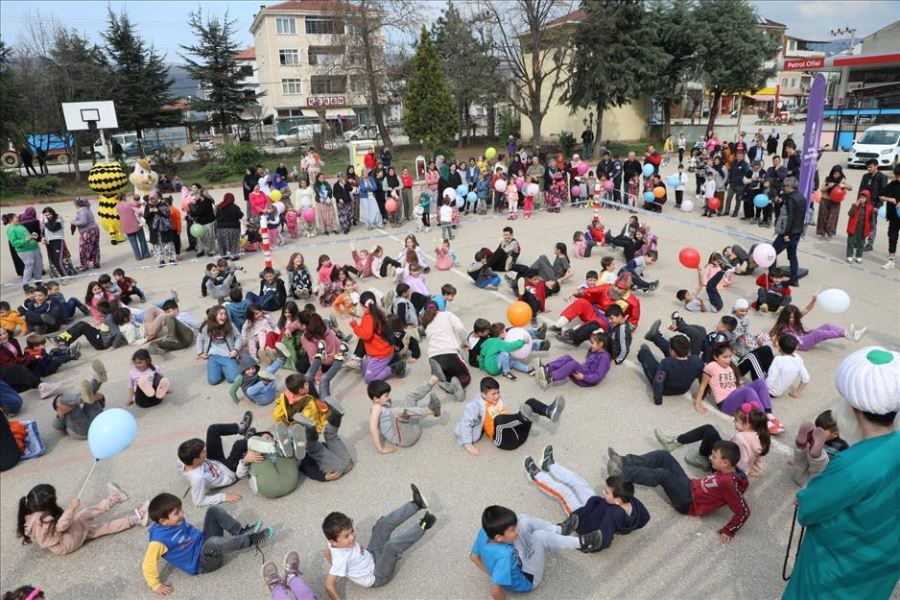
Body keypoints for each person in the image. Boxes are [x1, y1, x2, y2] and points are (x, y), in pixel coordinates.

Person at [783, 346, 899, 599]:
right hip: (884, 563)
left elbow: (809, 510)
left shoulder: (851, 465)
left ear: (854, 408)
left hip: (834, 572)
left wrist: (805, 497)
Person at [608, 440, 750, 541]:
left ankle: (621, 473)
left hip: (687, 502)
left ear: (725, 463)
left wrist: (729, 530)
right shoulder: (728, 471)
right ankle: (624, 461)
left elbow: (744, 511)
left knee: (663, 474)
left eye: (714, 456)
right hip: (688, 485)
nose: (710, 458)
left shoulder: (729, 483)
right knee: (663, 456)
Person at [142, 492, 275, 595]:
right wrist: (155, 585)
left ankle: (240, 532)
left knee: (213, 510)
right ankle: (252, 539)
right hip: (203, 563)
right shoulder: (158, 542)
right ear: (163, 521)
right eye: (177, 513)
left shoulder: (172, 520)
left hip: (204, 542)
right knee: (212, 543)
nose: (182, 514)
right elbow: (148, 563)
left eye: (180, 509)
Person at [323, 484, 435, 597]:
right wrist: (337, 567)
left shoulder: (333, 543)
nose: (352, 537)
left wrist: (336, 565)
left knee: (381, 525)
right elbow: (329, 586)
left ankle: (416, 504)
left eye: (352, 531)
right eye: (346, 536)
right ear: (334, 541)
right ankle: (423, 525)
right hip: (378, 576)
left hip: (371, 553)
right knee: (391, 547)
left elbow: (326, 551)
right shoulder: (341, 559)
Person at [469, 505, 603, 598]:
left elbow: (473, 557)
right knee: (540, 537)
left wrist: (491, 573)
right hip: (527, 578)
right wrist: (495, 576)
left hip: (516, 557)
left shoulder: (485, 533)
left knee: (523, 521)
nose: (517, 531)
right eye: (512, 530)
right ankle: (582, 543)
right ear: (498, 537)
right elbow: (495, 590)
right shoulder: (504, 556)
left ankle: (559, 530)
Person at [525, 447, 650, 546]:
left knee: (564, 492)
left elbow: (604, 538)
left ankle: (535, 476)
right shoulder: (632, 502)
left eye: (607, 492)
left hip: (583, 519)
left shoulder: (613, 514)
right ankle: (549, 465)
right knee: (580, 482)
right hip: (596, 506)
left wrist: (587, 541)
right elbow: (644, 518)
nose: (603, 493)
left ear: (617, 500)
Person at [17, 483, 147, 555]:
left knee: (99, 529)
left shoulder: (27, 514)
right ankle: (114, 500)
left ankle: (136, 519)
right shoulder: (43, 519)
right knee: (84, 514)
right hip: (67, 542)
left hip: (60, 546)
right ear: (47, 505)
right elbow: (61, 526)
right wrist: (71, 509)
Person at [455, 376, 565, 454]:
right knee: (499, 419)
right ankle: (523, 417)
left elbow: (506, 414)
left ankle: (549, 411)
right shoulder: (475, 406)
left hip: (520, 433)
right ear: (483, 395)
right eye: (493, 394)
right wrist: (468, 445)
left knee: (530, 402)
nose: (497, 396)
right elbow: (466, 422)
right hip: (505, 441)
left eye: (498, 392)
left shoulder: (495, 399)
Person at [655, 403, 771, 474]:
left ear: (747, 425)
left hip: (725, 470)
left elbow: (741, 464)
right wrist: (755, 470)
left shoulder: (740, 437)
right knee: (710, 431)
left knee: (709, 430)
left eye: (736, 420)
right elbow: (757, 458)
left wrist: (723, 474)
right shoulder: (761, 435)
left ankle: (679, 444)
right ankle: (675, 441)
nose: (733, 421)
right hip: (732, 467)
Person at [177, 412, 253, 507]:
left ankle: (242, 428)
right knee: (239, 445)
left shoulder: (182, 458)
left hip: (215, 462)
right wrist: (224, 497)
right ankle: (249, 442)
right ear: (195, 460)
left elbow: (186, 466)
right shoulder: (197, 478)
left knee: (213, 429)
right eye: (203, 452)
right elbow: (198, 502)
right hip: (228, 473)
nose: (205, 451)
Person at [367, 378, 442, 453]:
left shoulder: (384, 403)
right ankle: (430, 410)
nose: (389, 397)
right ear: (376, 399)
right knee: (395, 412)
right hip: (405, 439)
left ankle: (432, 381)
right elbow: (373, 429)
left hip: (412, 429)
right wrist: (381, 449)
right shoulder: (376, 407)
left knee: (409, 397)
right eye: (386, 396)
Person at [637, 330, 704, 405]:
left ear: (673, 352)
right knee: (672, 349)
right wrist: (702, 395)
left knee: (644, 353)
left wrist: (658, 399)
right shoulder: (697, 361)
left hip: (665, 390)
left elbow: (658, 382)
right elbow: (704, 380)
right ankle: (655, 336)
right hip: (683, 390)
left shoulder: (666, 363)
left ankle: (645, 350)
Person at [51, 359, 107, 439]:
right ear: (56, 407)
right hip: (82, 431)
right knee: (85, 397)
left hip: (97, 422)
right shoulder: (61, 414)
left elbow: (101, 401)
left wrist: (98, 397)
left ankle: (98, 378)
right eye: (59, 402)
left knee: (89, 396)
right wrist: (60, 415)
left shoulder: (84, 404)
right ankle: (96, 381)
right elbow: (56, 427)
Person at [536, 330, 611, 390]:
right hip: (584, 372)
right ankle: (546, 369)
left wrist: (583, 377)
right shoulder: (595, 351)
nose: (591, 345)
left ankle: (550, 377)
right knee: (567, 357)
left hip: (585, 380)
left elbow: (598, 376)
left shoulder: (605, 357)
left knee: (573, 364)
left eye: (593, 343)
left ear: (600, 344)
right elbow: (587, 365)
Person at [195, 306, 242, 385]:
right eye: (221, 314)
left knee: (233, 378)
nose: (224, 316)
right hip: (213, 355)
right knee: (213, 381)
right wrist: (200, 353)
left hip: (228, 354)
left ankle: (226, 367)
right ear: (214, 315)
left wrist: (235, 350)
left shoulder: (230, 325)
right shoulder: (206, 326)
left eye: (225, 314)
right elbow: (199, 339)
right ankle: (220, 367)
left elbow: (238, 337)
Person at [2, 213, 43, 284]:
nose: (18, 218)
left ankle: (38, 281)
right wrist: (25, 240)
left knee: (38, 265)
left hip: (34, 247)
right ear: (11, 220)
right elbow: (14, 242)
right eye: (16, 217)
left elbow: (27, 236)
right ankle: (26, 284)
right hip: (25, 250)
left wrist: (33, 236)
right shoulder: (11, 230)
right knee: (29, 265)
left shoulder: (20, 226)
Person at [40, 207, 76, 276]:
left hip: (58, 241)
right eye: (46, 215)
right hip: (49, 243)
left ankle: (66, 276)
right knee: (53, 261)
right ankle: (62, 275)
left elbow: (53, 228)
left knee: (58, 261)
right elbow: (43, 231)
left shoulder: (58, 219)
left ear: (52, 213)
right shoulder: (45, 221)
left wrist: (45, 221)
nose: (48, 216)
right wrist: (43, 237)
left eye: (49, 214)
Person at [879, 163, 900, 269]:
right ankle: (891, 259)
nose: (898, 178)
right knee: (892, 236)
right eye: (897, 176)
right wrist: (890, 199)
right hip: (894, 215)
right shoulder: (893, 184)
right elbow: (881, 194)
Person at [846, 190, 875, 263]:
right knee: (851, 242)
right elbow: (850, 213)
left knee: (861, 244)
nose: (862, 199)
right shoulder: (855, 205)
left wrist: (871, 229)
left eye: (864, 198)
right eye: (860, 197)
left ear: (867, 199)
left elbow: (872, 220)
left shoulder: (870, 208)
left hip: (863, 229)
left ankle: (858, 256)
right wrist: (856, 204)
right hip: (853, 227)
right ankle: (849, 256)